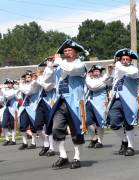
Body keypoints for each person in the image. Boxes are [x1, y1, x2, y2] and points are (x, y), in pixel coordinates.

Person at [46, 39, 88, 169]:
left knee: (76, 130)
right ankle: (63, 156)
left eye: (70, 50)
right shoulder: (60, 65)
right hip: (61, 101)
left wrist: (59, 61)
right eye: (65, 51)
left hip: (75, 102)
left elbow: (70, 70)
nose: (67, 52)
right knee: (56, 129)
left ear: (76, 53)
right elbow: (47, 80)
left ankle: (77, 157)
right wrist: (49, 66)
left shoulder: (80, 65)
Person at [107, 48, 139, 156]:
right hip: (116, 99)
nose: (125, 61)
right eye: (123, 59)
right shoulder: (117, 70)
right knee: (113, 122)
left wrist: (117, 65)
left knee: (129, 123)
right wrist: (110, 72)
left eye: (127, 59)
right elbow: (107, 82)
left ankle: (130, 146)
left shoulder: (134, 70)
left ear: (131, 61)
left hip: (129, 100)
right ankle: (124, 140)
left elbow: (128, 72)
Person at [85, 64, 112, 149]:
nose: (96, 73)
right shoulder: (90, 80)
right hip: (89, 101)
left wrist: (87, 77)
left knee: (100, 122)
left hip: (100, 103)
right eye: (94, 71)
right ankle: (94, 138)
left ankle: (100, 141)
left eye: (98, 71)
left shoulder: (104, 80)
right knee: (88, 121)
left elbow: (93, 87)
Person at [35, 64, 56, 156]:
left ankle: (51, 148)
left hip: (49, 104)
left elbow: (47, 87)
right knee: (37, 125)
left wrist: (39, 77)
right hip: (40, 103)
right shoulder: (40, 79)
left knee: (49, 127)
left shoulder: (54, 78)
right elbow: (30, 90)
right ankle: (46, 144)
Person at [18, 70, 41, 150]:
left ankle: (33, 142)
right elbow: (18, 97)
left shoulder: (35, 84)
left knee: (33, 126)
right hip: (24, 107)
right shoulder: (23, 85)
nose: (27, 78)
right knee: (22, 125)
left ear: (32, 77)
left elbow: (28, 92)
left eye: (28, 77)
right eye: (26, 77)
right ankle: (24, 143)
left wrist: (20, 84)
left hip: (32, 106)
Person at [1, 79, 19, 146]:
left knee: (12, 125)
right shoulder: (5, 91)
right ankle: (7, 139)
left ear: (12, 84)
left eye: (9, 83)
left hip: (13, 109)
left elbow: (9, 97)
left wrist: (2, 90)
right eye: (7, 83)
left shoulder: (14, 91)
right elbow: (2, 100)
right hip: (6, 108)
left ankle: (13, 140)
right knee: (4, 124)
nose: (8, 85)